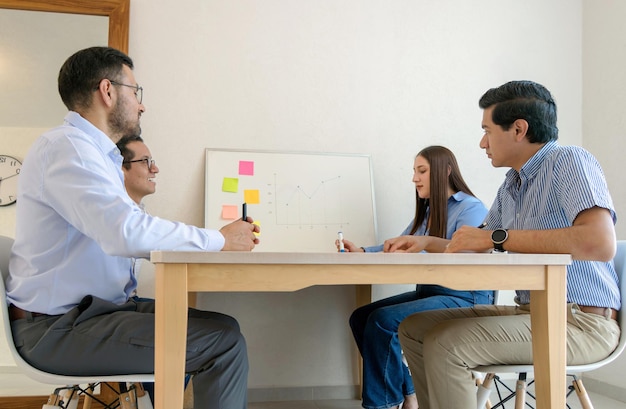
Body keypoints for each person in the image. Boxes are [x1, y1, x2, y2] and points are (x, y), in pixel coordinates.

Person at [6, 46, 260, 409]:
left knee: (225, 327)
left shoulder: (94, 155)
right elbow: (124, 231)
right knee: (222, 342)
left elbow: (127, 226)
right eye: (135, 92)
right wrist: (219, 239)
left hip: (94, 312)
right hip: (58, 328)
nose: (141, 105)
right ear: (107, 91)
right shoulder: (68, 149)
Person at [397, 80, 620, 409]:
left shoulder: (569, 162)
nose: (482, 142)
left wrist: (495, 237)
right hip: (533, 312)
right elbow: (478, 242)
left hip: (582, 323)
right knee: (414, 327)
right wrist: (426, 242)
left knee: (446, 343)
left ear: (518, 129)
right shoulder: (511, 185)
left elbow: (599, 242)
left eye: (487, 130)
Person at [339, 145, 493, 409]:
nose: (414, 178)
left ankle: (383, 405)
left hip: (466, 298)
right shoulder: (430, 211)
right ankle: (408, 392)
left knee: (382, 321)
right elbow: (402, 243)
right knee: (361, 318)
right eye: (414, 171)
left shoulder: (471, 207)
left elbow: (468, 250)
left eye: (421, 171)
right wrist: (363, 251)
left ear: (445, 172)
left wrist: (424, 242)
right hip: (432, 292)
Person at [117, 134, 158, 210]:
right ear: (121, 169)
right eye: (145, 161)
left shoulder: (138, 213)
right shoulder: (118, 217)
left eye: (150, 161)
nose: (155, 169)